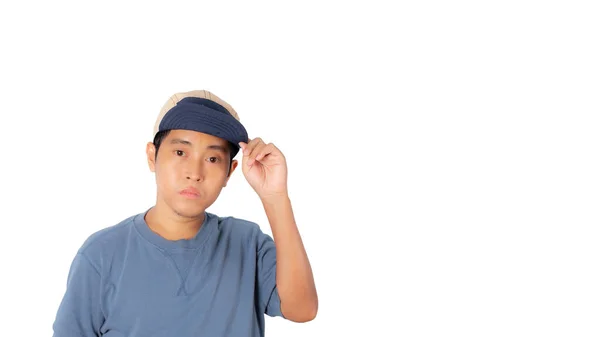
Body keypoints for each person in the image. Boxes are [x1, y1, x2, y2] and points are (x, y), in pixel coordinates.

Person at [52, 90, 318, 337]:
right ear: (151, 156)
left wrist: (274, 198)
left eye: (212, 159)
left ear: (230, 171)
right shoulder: (102, 254)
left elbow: (302, 309)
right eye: (180, 152)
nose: (195, 172)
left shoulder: (247, 243)